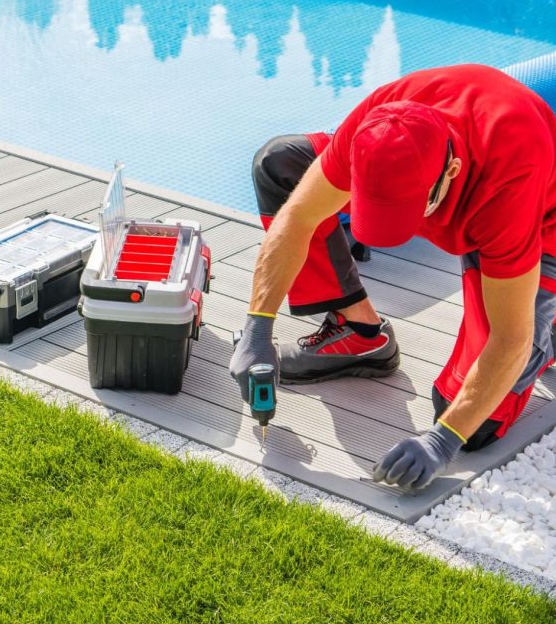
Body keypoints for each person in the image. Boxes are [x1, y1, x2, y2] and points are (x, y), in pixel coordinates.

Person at [229, 64, 556, 490]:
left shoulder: (508, 182)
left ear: (450, 174)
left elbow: (508, 339)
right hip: (466, 192)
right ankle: (359, 334)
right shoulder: (377, 123)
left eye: (406, 210)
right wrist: (258, 326)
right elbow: (297, 218)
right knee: (280, 165)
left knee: (474, 422)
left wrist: (442, 441)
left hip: (540, 231)